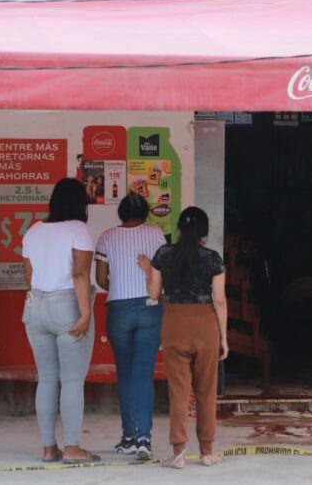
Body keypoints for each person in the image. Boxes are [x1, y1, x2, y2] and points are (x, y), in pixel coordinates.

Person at [139, 207, 228, 469]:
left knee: (178, 391)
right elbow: (220, 300)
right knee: (206, 390)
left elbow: (154, 294)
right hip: (205, 324)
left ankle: (178, 453)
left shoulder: (163, 255)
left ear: (178, 229)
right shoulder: (213, 258)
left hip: (174, 323)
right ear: (204, 233)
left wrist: (147, 270)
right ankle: (207, 451)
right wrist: (223, 337)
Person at [21, 178, 100, 464]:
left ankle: (47, 447)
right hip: (68, 305)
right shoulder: (79, 230)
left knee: (47, 379)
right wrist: (85, 313)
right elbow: (80, 274)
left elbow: (29, 277)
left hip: (36, 307)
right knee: (71, 380)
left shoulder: (33, 230)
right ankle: (72, 447)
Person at [95, 192, 166, 461]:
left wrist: (117, 289)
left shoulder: (107, 236)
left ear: (121, 213)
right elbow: (160, 273)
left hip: (119, 310)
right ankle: (145, 439)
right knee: (143, 374)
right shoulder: (157, 234)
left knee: (124, 373)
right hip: (150, 307)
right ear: (146, 212)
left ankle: (128, 437)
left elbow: (101, 278)